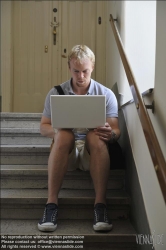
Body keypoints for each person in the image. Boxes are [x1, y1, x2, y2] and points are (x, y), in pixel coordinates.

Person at [38, 45, 121, 232]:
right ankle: (51, 204)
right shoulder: (56, 92)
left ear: (92, 67)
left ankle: (100, 205)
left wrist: (111, 133)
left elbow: (116, 129)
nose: (81, 76)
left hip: (93, 152)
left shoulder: (106, 94)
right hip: (65, 151)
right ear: (69, 68)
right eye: (76, 71)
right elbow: (43, 126)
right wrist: (56, 133)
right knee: (64, 135)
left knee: (96, 136)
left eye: (85, 71)